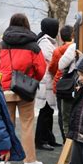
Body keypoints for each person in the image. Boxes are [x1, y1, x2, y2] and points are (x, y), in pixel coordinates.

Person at [0, 13, 46, 164]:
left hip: (5, 88)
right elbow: (41, 69)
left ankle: (5, 159)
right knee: (27, 125)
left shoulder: (2, 44)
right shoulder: (33, 46)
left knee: (7, 124)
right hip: (25, 89)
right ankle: (29, 161)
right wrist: (33, 79)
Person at [35, 18, 60, 151]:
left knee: (48, 111)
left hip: (48, 80)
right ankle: (41, 140)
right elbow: (52, 60)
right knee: (44, 111)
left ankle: (49, 138)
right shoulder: (45, 43)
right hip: (45, 80)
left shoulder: (49, 41)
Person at [48, 24, 74, 143]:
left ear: (62, 37)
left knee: (63, 114)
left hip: (61, 84)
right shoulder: (80, 46)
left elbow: (53, 67)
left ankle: (66, 141)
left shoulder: (58, 50)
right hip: (74, 84)